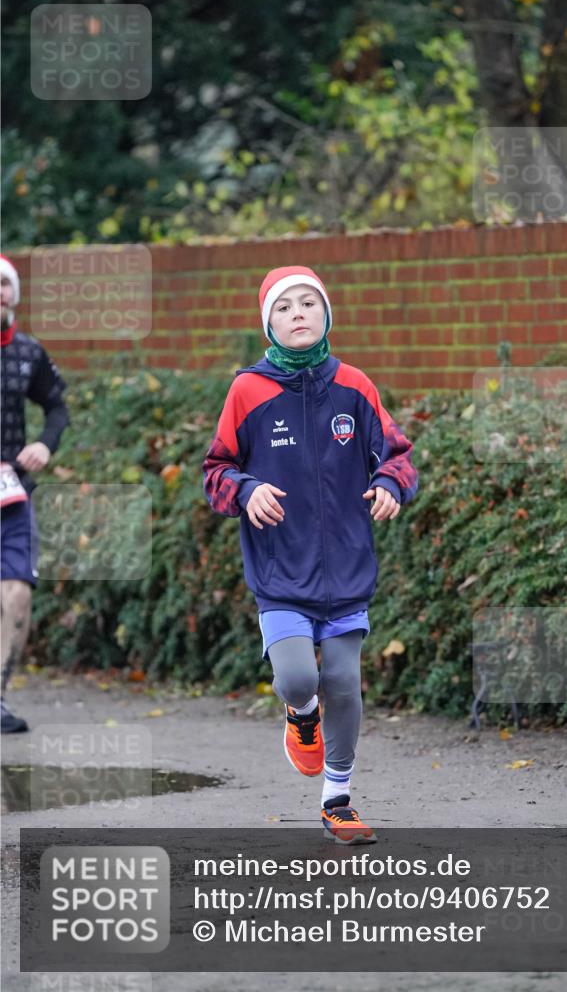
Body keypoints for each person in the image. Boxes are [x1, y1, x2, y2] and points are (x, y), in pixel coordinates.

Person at [202, 265, 418, 843]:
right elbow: (215, 471)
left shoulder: (355, 386)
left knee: (344, 682)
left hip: (347, 572)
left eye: (308, 303)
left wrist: (392, 485)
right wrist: (247, 490)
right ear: (268, 324)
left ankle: (338, 799)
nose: (298, 313)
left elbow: (398, 455)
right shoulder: (248, 390)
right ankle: (301, 718)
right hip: (281, 573)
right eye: (284, 307)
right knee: (298, 679)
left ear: (326, 314)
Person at [1, 254, 69, 733]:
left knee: (18, 595)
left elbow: (57, 407)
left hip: (11, 495)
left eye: (5, 284)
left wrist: (44, 443)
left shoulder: (28, 352)